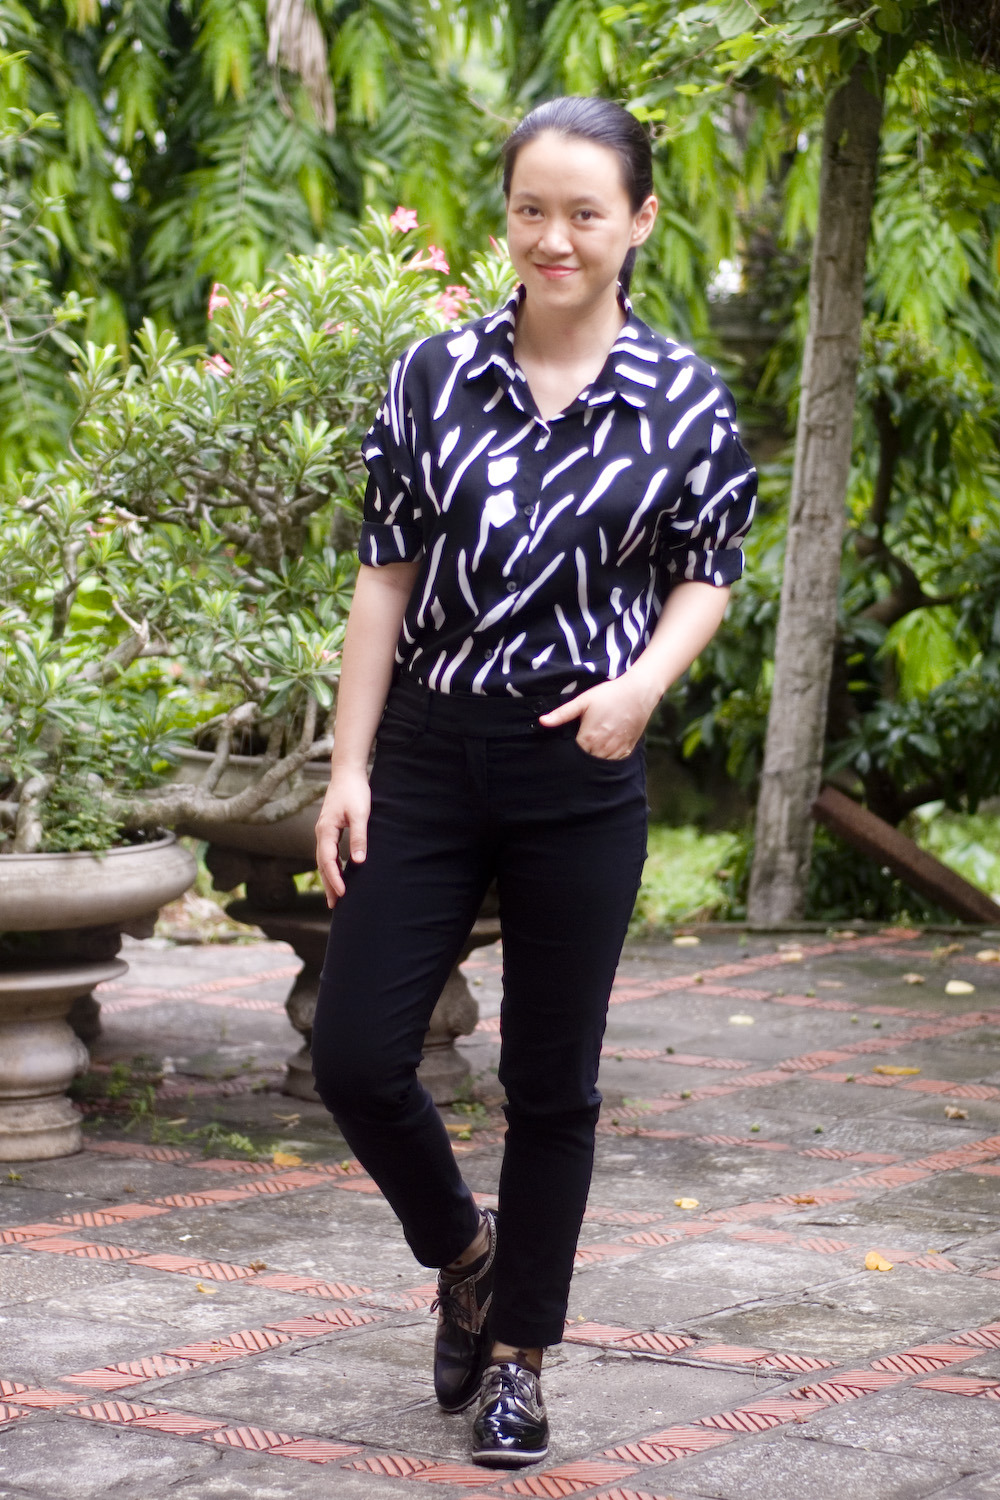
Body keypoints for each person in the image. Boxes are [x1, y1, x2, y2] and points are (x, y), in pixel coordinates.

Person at [311, 95, 756, 1469]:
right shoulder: (432, 375)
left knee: (552, 1086)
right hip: (430, 752)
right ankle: (466, 1254)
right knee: (356, 1056)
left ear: (639, 222)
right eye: (529, 210)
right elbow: (384, 580)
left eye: (583, 213)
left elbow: (709, 573)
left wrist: (643, 685)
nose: (553, 238)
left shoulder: (682, 395)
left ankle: (520, 1361)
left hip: (581, 759)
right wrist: (347, 767)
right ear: (506, 216)